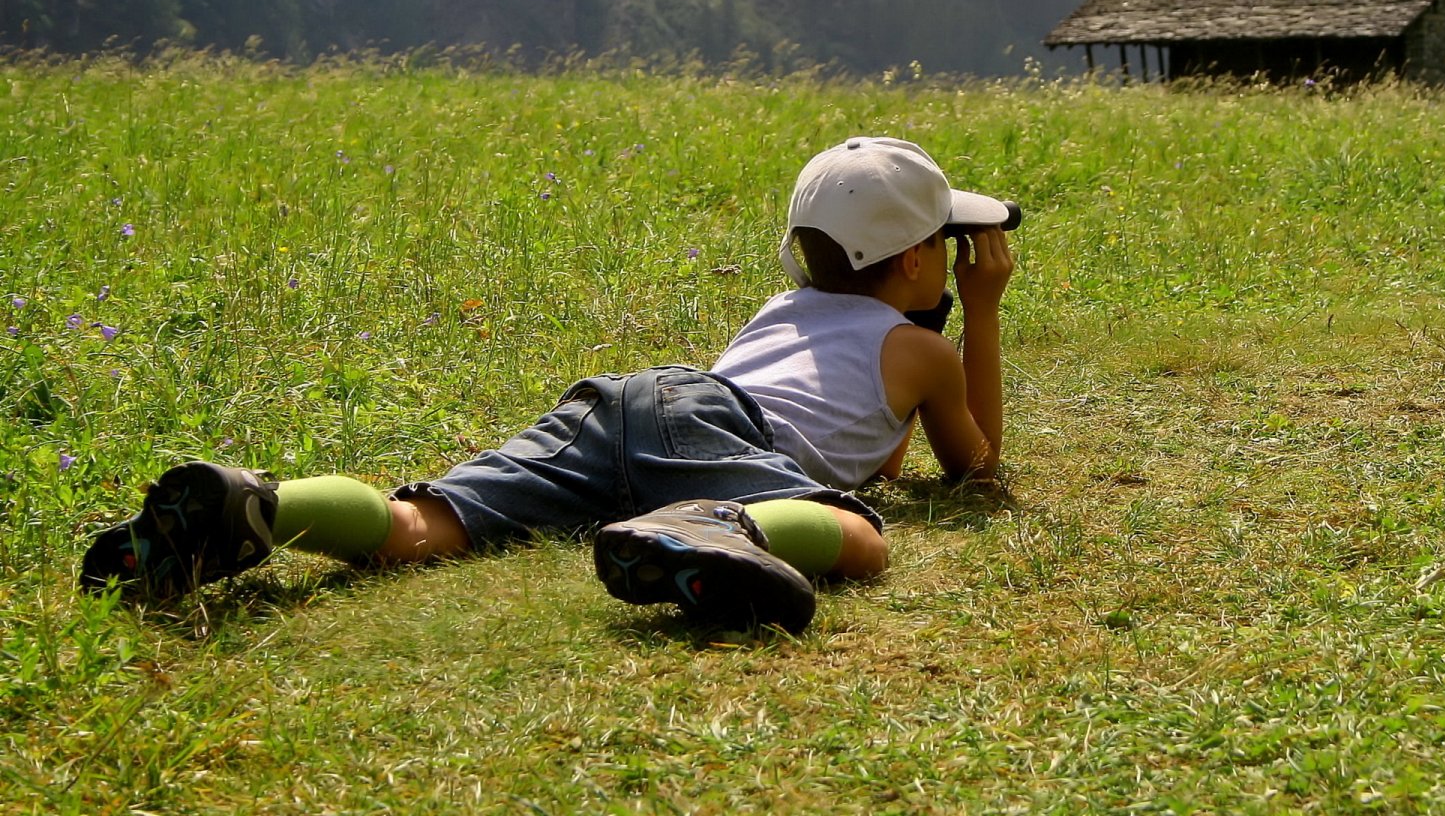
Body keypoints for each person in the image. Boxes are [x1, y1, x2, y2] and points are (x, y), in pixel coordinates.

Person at [79, 137, 1016, 634]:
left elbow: (870, 440)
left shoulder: (779, 311)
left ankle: (263, 507)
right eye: (949, 241)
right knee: (860, 539)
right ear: (915, 260)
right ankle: (718, 526)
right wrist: (982, 307)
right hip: (717, 438)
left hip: (637, 399)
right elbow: (973, 466)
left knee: (423, 528)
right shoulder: (922, 353)